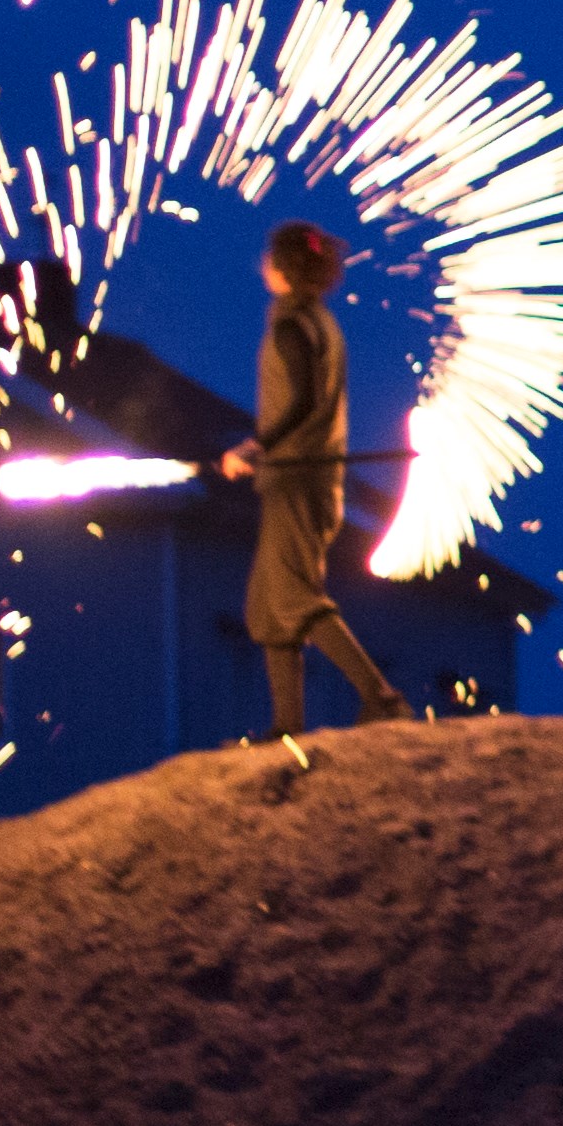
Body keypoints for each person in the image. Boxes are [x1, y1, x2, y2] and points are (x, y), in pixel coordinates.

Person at [215, 220, 405, 739]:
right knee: (268, 606)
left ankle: (381, 698)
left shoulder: (293, 325)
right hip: (309, 475)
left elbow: (300, 402)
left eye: (269, 257)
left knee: (296, 597)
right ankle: (287, 728)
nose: (262, 265)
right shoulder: (319, 321)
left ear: (281, 268)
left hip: (297, 477)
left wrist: (255, 448)